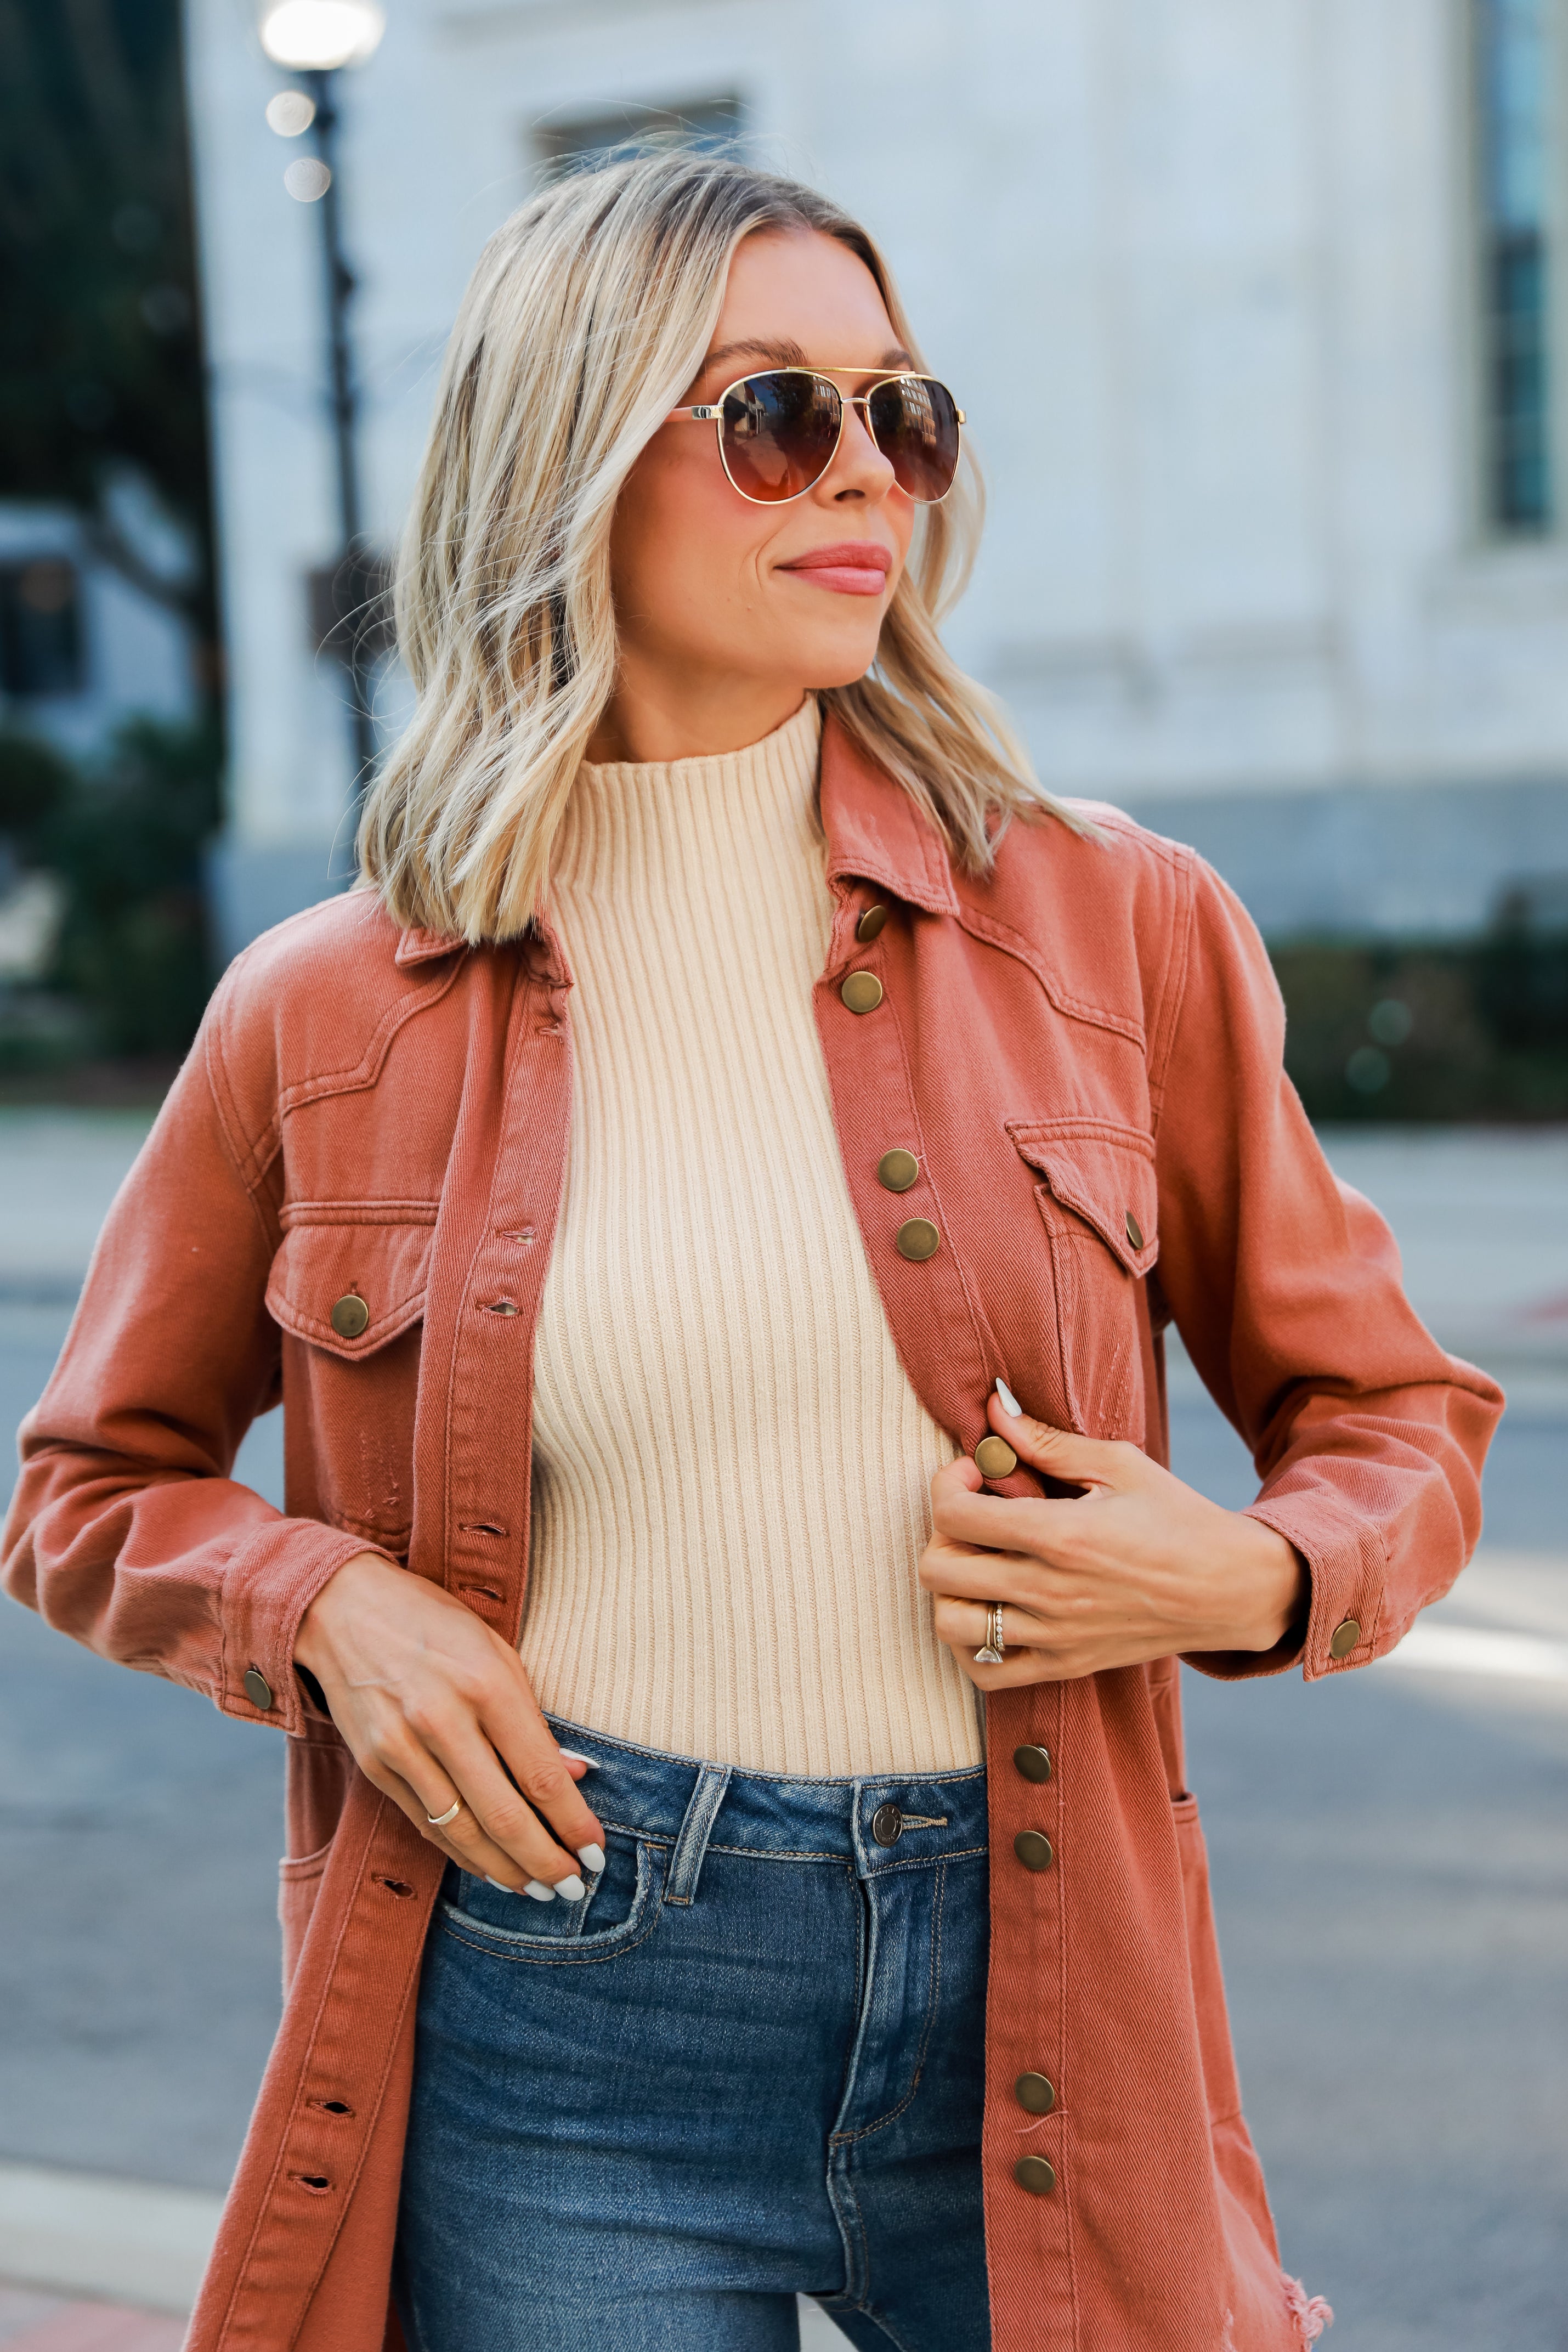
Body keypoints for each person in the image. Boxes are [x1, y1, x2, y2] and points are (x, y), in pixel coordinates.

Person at [2, 151, 1501, 2352]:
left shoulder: (1119, 927)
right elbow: (83, 1487)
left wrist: (1257, 1572)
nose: (867, 479)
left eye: (903, 414)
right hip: (558, 1994)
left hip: (1044, 1982)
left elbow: (1397, 1414)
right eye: (775, 415)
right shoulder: (325, 1009)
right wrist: (327, 1605)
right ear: (569, 464)